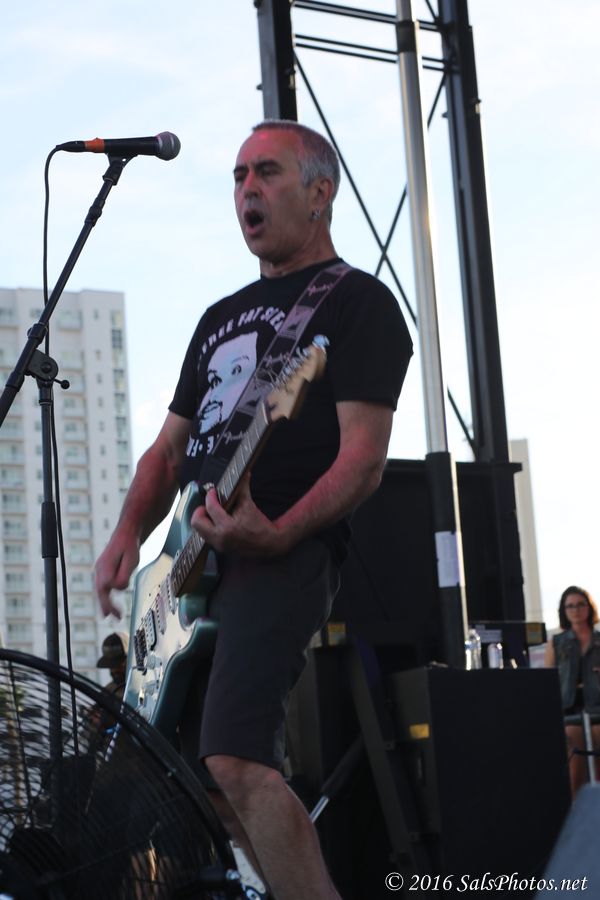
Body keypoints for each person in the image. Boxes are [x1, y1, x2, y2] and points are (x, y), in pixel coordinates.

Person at [94, 119, 413, 900]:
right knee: (202, 784)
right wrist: (128, 534)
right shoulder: (218, 318)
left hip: (282, 555)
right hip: (188, 571)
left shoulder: (358, 304)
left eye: (266, 172)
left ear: (319, 192)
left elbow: (363, 459)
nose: (246, 190)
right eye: (238, 177)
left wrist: (279, 531)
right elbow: (168, 454)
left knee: (238, 759)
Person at [544, 585, 600, 796]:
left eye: (580, 604)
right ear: (564, 611)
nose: (576, 610)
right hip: (569, 707)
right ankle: (576, 807)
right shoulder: (557, 643)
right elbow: (548, 679)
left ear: (589, 607)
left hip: (597, 705)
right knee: (575, 759)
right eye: (570, 606)